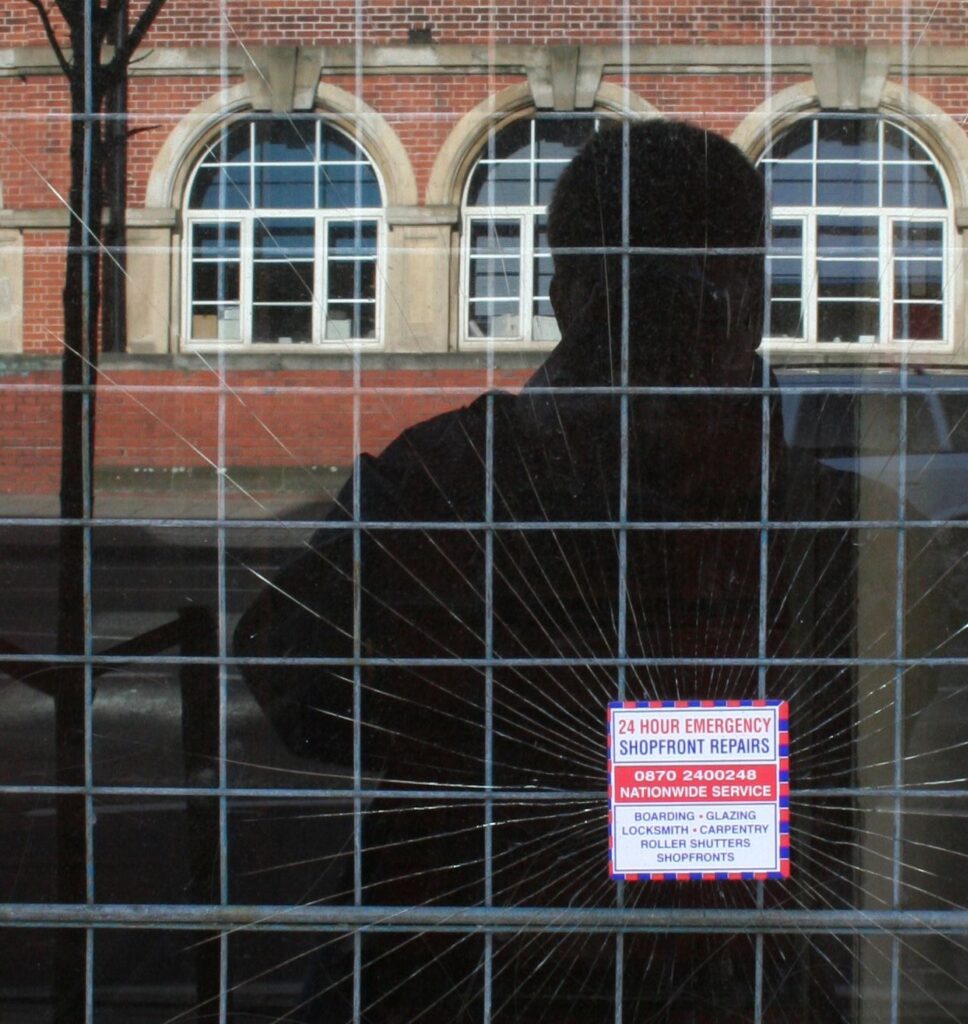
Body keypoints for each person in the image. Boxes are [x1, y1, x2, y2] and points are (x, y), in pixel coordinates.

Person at [234, 119, 779, 1022]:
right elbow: (297, 675)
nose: (662, 326)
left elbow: (296, 677)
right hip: (505, 958)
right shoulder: (451, 481)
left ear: (564, 296)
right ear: (753, 301)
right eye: (641, 293)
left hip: (467, 956)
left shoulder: (445, 479)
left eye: (681, 293)